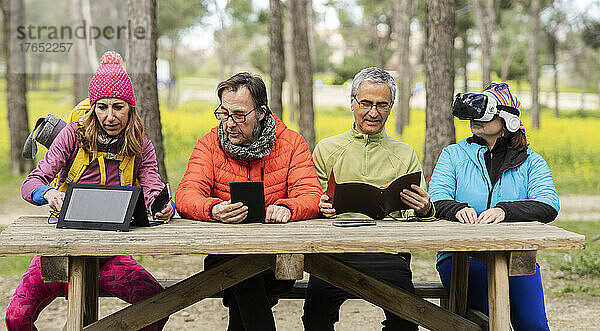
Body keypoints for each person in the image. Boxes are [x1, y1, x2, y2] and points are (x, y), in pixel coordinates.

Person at [6, 51, 173, 331]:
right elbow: (31, 183)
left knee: (156, 307)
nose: (110, 116)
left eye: (118, 107)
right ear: (93, 107)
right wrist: (48, 193)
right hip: (62, 253)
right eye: (102, 107)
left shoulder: (140, 144)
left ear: (130, 107)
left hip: (111, 256)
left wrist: (160, 204)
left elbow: (152, 185)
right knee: (16, 317)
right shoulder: (72, 135)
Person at [174, 72, 322, 330]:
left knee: (243, 280)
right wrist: (213, 209)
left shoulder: (291, 143)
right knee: (243, 275)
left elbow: (311, 195)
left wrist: (287, 208)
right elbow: (185, 195)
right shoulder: (209, 145)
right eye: (223, 113)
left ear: (262, 112)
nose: (229, 123)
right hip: (225, 252)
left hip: (277, 257)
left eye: (239, 115)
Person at [302, 67, 434, 331]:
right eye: (366, 103)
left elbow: (419, 214)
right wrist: (320, 206)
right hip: (333, 253)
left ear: (391, 106)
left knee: (407, 319)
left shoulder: (404, 154)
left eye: (382, 105)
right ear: (352, 102)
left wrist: (424, 209)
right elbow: (309, 200)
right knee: (315, 316)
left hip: (388, 254)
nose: (373, 113)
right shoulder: (326, 149)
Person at [429, 82, 559, 330]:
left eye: (485, 113)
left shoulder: (532, 162)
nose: (476, 119)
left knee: (534, 326)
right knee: (491, 321)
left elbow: (549, 205)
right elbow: (436, 197)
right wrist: (456, 209)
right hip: (459, 257)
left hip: (517, 258)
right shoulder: (453, 155)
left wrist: (504, 210)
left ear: (508, 120)